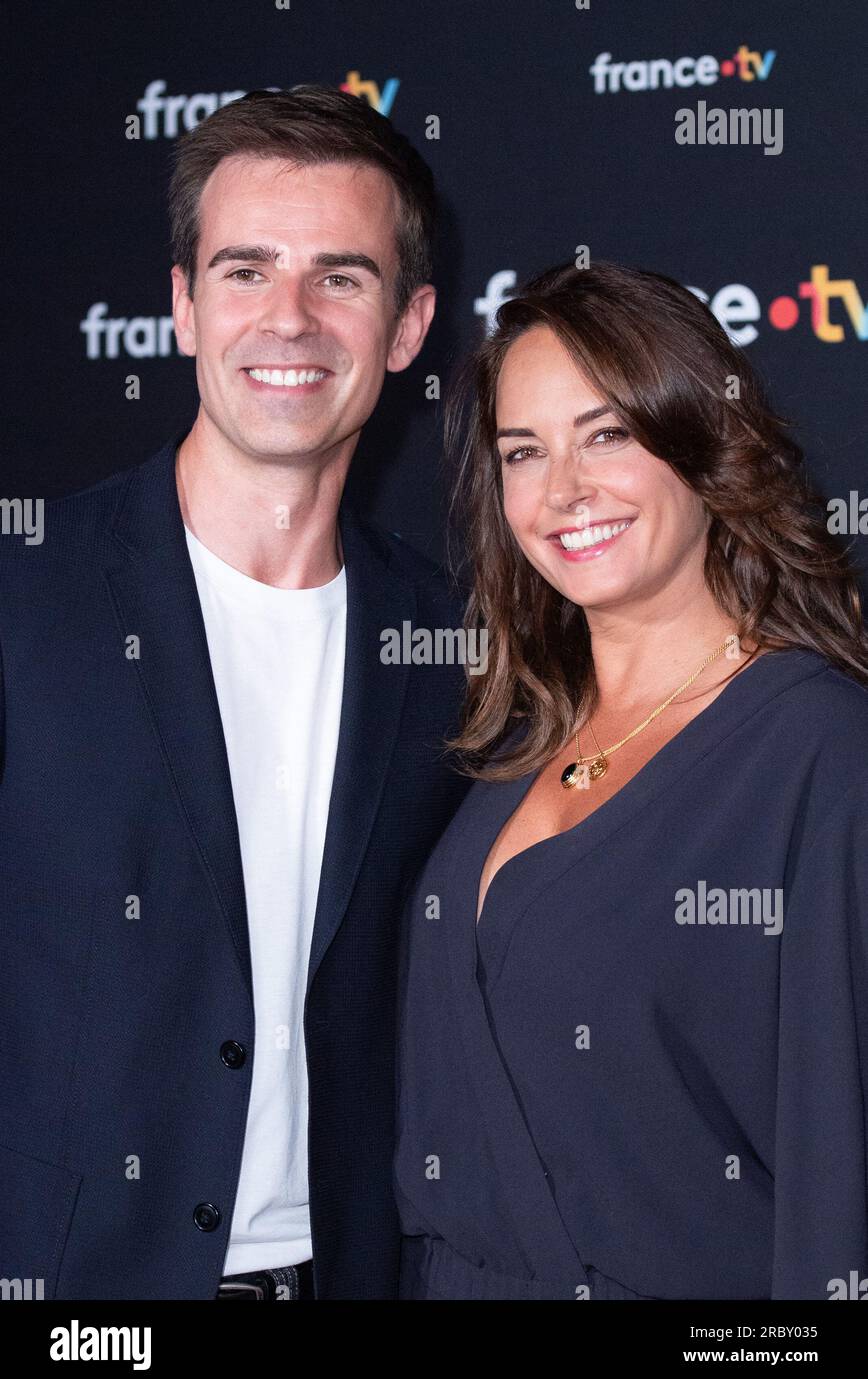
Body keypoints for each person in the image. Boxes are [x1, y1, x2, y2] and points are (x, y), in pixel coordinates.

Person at [0, 86, 471, 1300]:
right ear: (180, 307)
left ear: (410, 325)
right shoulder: (26, 596)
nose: (289, 320)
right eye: (246, 270)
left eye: (342, 278)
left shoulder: (455, 643)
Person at [394, 259, 868, 1300]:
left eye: (606, 433)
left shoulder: (821, 755)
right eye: (525, 451)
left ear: (701, 439)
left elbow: (842, 1188)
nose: (563, 490)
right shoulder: (510, 742)